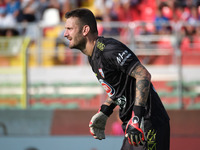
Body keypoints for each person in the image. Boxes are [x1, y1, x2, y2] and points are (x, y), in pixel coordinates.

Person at [64, 8, 170, 150]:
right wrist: (105, 111)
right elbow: (120, 88)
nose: (65, 34)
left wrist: (137, 117)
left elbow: (143, 75)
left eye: (69, 29)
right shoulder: (93, 57)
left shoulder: (108, 49)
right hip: (132, 126)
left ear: (85, 30)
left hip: (148, 122)